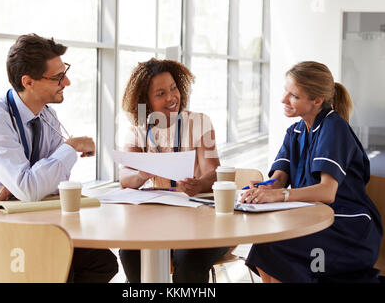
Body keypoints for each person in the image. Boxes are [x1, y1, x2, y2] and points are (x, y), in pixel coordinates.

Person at [0, 34, 118, 282]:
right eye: (58, 77)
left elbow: (49, 183)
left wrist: (14, 188)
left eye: (65, 72)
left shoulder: (46, 116)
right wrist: (69, 148)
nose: (68, 82)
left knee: (103, 262)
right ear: (28, 82)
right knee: (55, 268)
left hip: (24, 223)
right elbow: (31, 189)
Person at [240, 61, 382, 283]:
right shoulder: (295, 131)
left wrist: (279, 195)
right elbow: (278, 179)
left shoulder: (334, 127)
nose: (283, 100)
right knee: (264, 247)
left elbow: (327, 192)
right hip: (313, 220)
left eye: (294, 96)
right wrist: (261, 189)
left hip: (347, 229)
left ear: (317, 100)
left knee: (274, 249)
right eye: (285, 92)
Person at [118, 58, 229, 283]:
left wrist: (198, 184)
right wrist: (144, 172)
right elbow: (125, 178)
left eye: (173, 88)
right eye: (160, 94)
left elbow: (213, 172)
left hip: (204, 219)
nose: (171, 98)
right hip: (162, 220)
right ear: (145, 101)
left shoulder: (199, 122)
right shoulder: (139, 129)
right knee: (130, 252)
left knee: (188, 259)